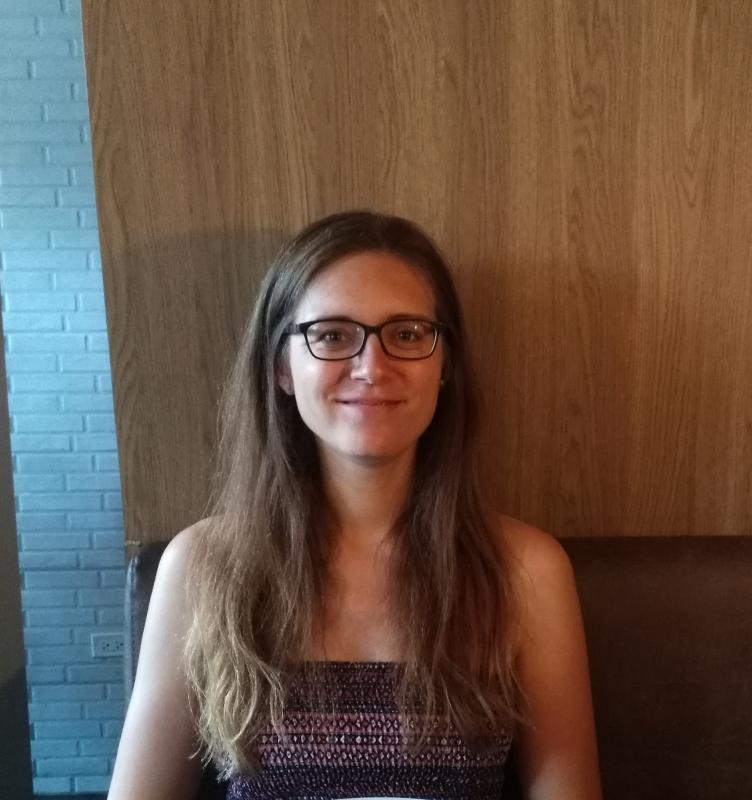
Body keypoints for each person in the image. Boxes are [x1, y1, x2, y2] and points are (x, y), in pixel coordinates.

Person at [108, 211, 602, 799]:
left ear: (445, 365)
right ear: (282, 367)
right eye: (332, 335)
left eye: (408, 334)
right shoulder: (203, 565)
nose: (372, 367)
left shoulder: (526, 571)